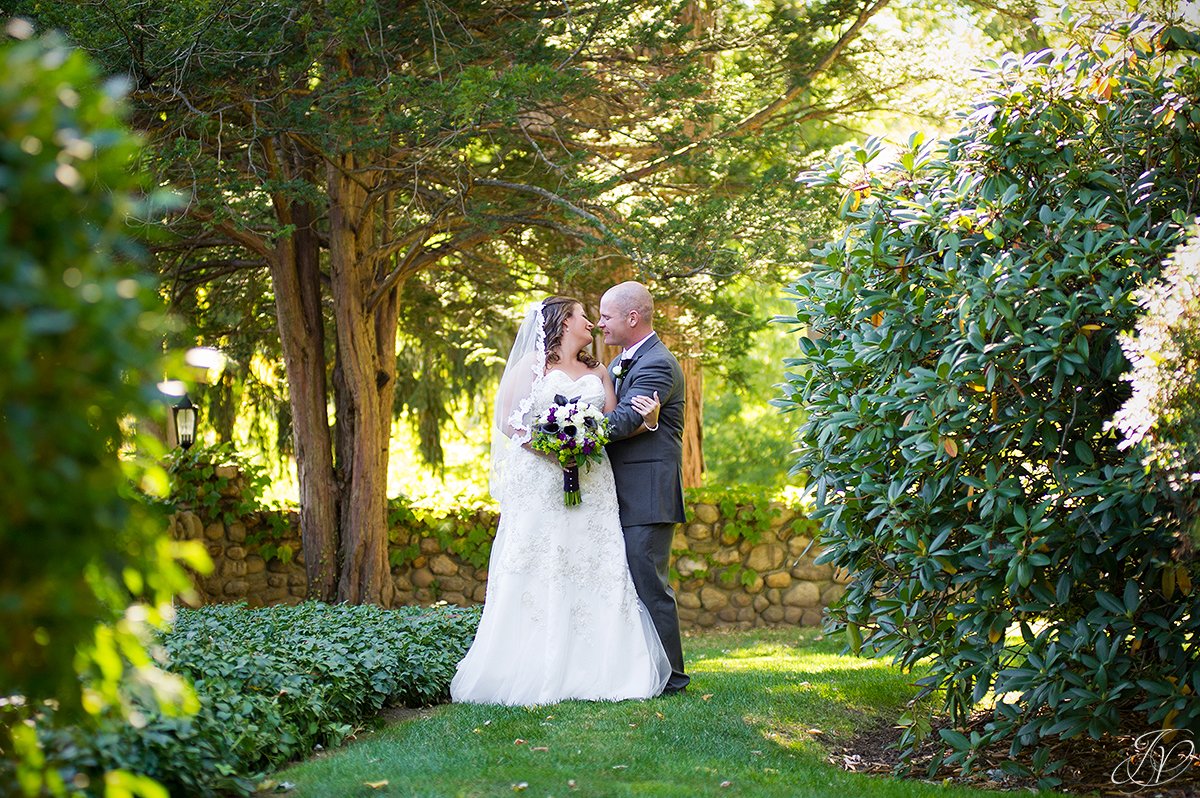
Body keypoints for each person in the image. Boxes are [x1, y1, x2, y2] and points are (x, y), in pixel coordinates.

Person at [451, 296, 670, 705]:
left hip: (592, 481)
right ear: (563, 322)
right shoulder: (532, 367)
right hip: (540, 481)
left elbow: (613, 420)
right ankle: (533, 666)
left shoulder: (597, 369)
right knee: (540, 563)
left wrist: (649, 420)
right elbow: (508, 422)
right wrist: (553, 449)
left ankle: (603, 670)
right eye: (584, 315)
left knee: (594, 562)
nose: (592, 322)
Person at [597, 281, 690, 695]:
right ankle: (641, 671)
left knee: (650, 585)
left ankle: (672, 679)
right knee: (630, 582)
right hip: (624, 493)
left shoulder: (657, 364)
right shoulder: (625, 361)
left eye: (606, 316)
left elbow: (624, 422)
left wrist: (567, 432)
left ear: (632, 318)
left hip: (647, 495)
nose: (600, 324)